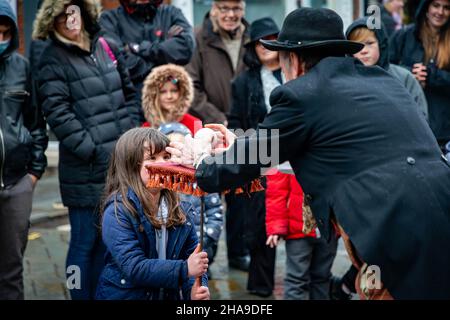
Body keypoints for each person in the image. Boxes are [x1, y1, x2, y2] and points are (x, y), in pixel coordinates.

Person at [168, 7, 450, 299]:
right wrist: (237, 144)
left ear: (296, 61)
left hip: (394, 228)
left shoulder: (303, 95)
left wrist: (201, 160)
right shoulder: (383, 80)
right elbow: (316, 145)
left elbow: (246, 160)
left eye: (282, 58)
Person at [33, 0, 143, 300]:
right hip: (87, 168)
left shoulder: (104, 45)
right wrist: (93, 150)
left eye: (74, 12)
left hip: (120, 165)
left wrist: (129, 136)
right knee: (84, 243)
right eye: (61, 16)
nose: (70, 20)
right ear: (51, 23)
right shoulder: (51, 59)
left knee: (111, 241)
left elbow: (130, 90)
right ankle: (79, 295)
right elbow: (58, 114)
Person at [95, 128, 209, 300]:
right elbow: (134, 267)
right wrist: (184, 269)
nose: (163, 164)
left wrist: (193, 290)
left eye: (166, 157)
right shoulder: (118, 211)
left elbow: (193, 258)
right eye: (152, 158)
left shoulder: (180, 208)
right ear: (131, 165)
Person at [227, 17, 282, 297]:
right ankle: (261, 288)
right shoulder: (244, 81)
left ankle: (308, 281)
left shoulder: (297, 71)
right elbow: (234, 121)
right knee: (259, 222)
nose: (265, 45)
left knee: (306, 222)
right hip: (261, 155)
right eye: (259, 40)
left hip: (296, 153)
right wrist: (246, 144)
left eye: (271, 38)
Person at [0, 0, 48, 300]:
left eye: (4, 33)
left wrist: (34, 171)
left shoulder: (21, 67)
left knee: (12, 269)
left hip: (16, 183)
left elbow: (36, 122)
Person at [158, 122, 224, 280]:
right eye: (172, 151)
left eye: (183, 147)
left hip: (201, 244)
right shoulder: (160, 183)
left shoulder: (201, 179)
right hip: (170, 250)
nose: (178, 154)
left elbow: (215, 210)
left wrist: (208, 238)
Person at [265, 168, 338, 300]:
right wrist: (276, 226)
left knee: (322, 277)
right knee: (296, 279)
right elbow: (276, 191)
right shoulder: (287, 153)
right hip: (298, 229)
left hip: (329, 227)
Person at [99, 0, 194, 96]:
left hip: (168, 102)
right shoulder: (109, 20)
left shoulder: (171, 13)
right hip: (130, 103)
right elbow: (119, 64)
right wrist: (163, 55)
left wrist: (139, 49)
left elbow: (186, 48)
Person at [390, 0, 450, 151]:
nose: (440, 12)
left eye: (446, 8)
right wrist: (410, 74)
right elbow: (387, 67)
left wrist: (431, 76)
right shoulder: (405, 35)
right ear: (426, 7)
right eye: (436, 5)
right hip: (409, 121)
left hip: (444, 127)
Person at [346, 16, 428, 120]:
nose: (363, 50)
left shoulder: (404, 78)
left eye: (369, 43)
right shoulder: (346, 80)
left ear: (381, 44)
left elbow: (421, 119)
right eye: (356, 45)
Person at [186, 0, 249, 125]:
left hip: (249, 125)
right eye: (224, 8)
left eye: (236, 8)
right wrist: (217, 118)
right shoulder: (197, 37)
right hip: (213, 126)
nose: (231, 14)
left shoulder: (251, 37)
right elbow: (190, 86)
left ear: (243, 11)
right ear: (214, 10)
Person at [142, 64, 202, 134]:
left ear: (182, 93)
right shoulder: (146, 128)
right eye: (163, 92)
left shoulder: (195, 123)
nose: (169, 96)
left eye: (174, 90)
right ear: (153, 96)